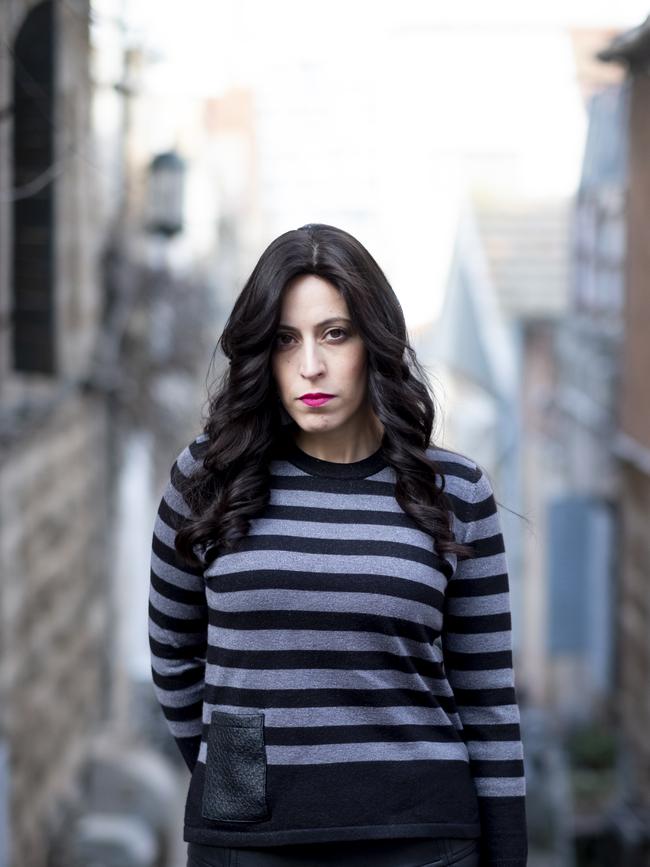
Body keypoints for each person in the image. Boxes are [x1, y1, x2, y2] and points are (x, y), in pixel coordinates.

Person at [148, 223, 528, 867]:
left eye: (334, 334)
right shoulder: (208, 478)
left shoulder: (455, 491)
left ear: (374, 342)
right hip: (249, 844)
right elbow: (175, 657)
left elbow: (487, 700)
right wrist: (235, 780)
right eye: (284, 340)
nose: (310, 366)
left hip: (422, 843)